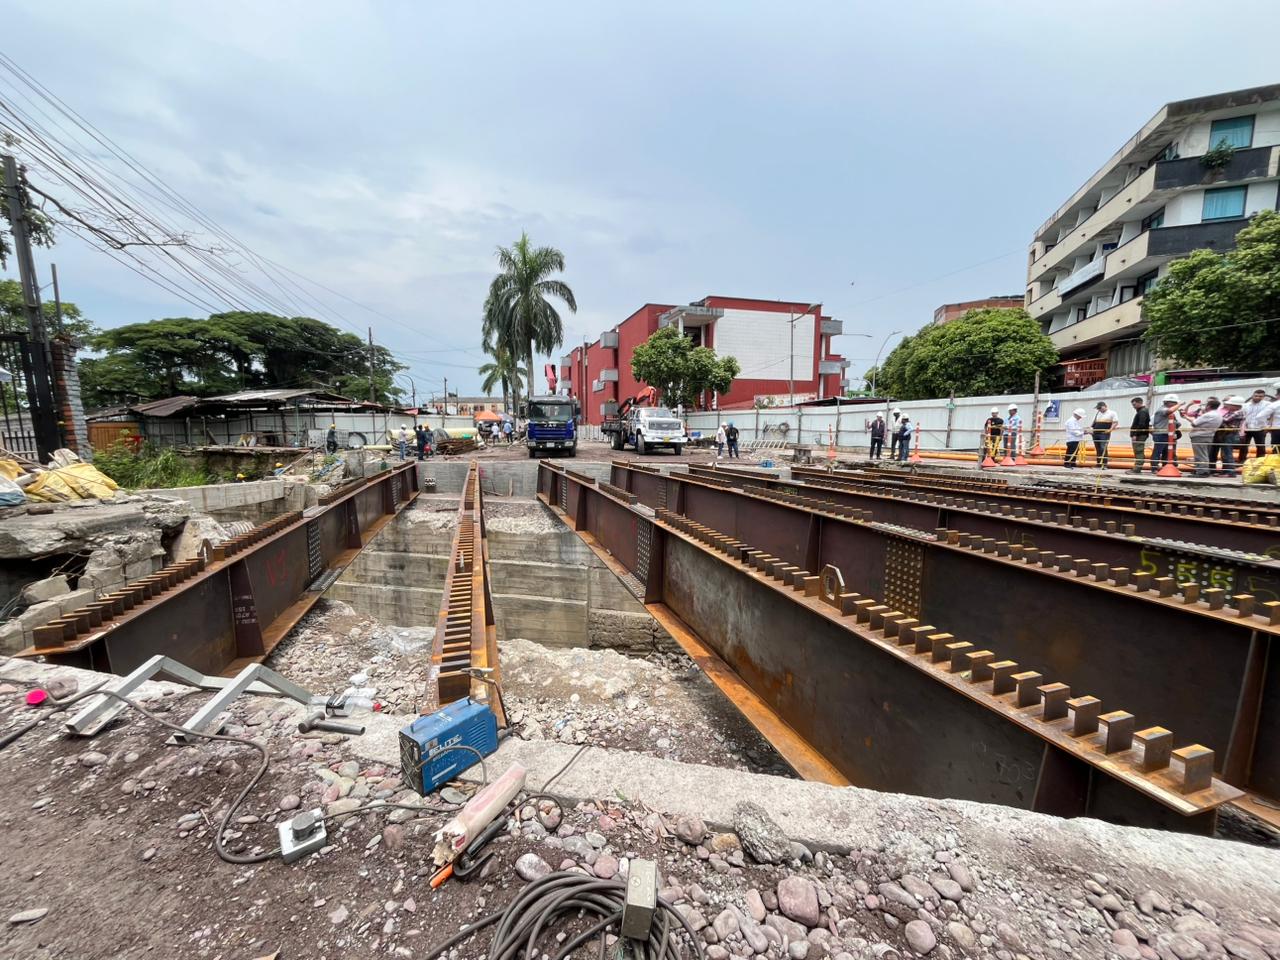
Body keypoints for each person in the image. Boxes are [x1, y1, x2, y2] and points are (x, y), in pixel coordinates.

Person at [1189, 399, 1223, 477]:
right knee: (1205, 454)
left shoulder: (1208, 415)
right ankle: (1202, 470)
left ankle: (1202, 472)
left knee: (1200, 455)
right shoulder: (1219, 415)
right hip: (1210, 436)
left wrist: (1188, 418)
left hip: (1200, 436)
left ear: (1209, 406)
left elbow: (1194, 423)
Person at [1149, 395, 1180, 473]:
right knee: (1158, 451)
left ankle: (1165, 466)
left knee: (1167, 452)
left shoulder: (1171, 414)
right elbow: (1168, 411)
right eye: (1174, 403)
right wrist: (1180, 405)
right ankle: (1154, 467)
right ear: (1168, 402)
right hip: (1161, 434)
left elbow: (1177, 424)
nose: (1175, 405)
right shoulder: (1161, 410)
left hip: (1168, 435)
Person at [1241, 389, 1270, 462]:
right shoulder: (1245, 405)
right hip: (1247, 429)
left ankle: (1260, 461)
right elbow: (1243, 417)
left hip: (1260, 429)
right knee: (1243, 446)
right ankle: (1242, 461)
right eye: (1256, 396)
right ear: (1252, 395)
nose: (1257, 397)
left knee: (1260, 446)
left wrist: (1268, 426)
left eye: (1260, 396)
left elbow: (1272, 415)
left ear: (1263, 397)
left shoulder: (1268, 404)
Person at [1221, 396, 1246, 474]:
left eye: (1230, 404)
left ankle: (1230, 472)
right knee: (1225, 453)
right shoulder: (1232, 412)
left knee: (1228, 453)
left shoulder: (1237, 412)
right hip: (1228, 434)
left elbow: (1225, 419)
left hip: (1231, 434)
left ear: (1236, 406)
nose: (1228, 406)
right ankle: (1226, 471)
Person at [1091, 401, 1118, 469]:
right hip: (1096, 433)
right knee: (1098, 448)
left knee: (1103, 448)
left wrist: (1110, 430)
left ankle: (1104, 464)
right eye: (1098, 408)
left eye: (1100, 408)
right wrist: (1091, 429)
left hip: (1104, 434)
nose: (1099, 409)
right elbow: (1094, 422)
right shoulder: (1098, 413)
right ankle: (1099, 463)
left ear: (1105, 406)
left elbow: (1115, 422)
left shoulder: (1112, 413)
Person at [1128, 398, 1150, 473]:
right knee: (1138, 450)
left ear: (1139, 403)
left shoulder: (1142, 412)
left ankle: (1137, 468)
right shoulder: (1141, 411)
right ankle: (1137, 467)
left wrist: (1135, 434)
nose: (1133, 406)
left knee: (1138, 450)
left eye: (1134, 404)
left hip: (1140, 435)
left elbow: (1141, 424)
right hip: (1140, 434)